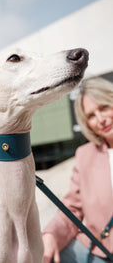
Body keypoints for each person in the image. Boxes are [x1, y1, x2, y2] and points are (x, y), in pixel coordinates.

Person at [42, 77, 113, 263]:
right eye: (90, 115)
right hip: (101, 251)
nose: (100, 119)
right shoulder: (85, 155)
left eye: (104, 107)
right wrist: (51, 235)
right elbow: (71, 208)